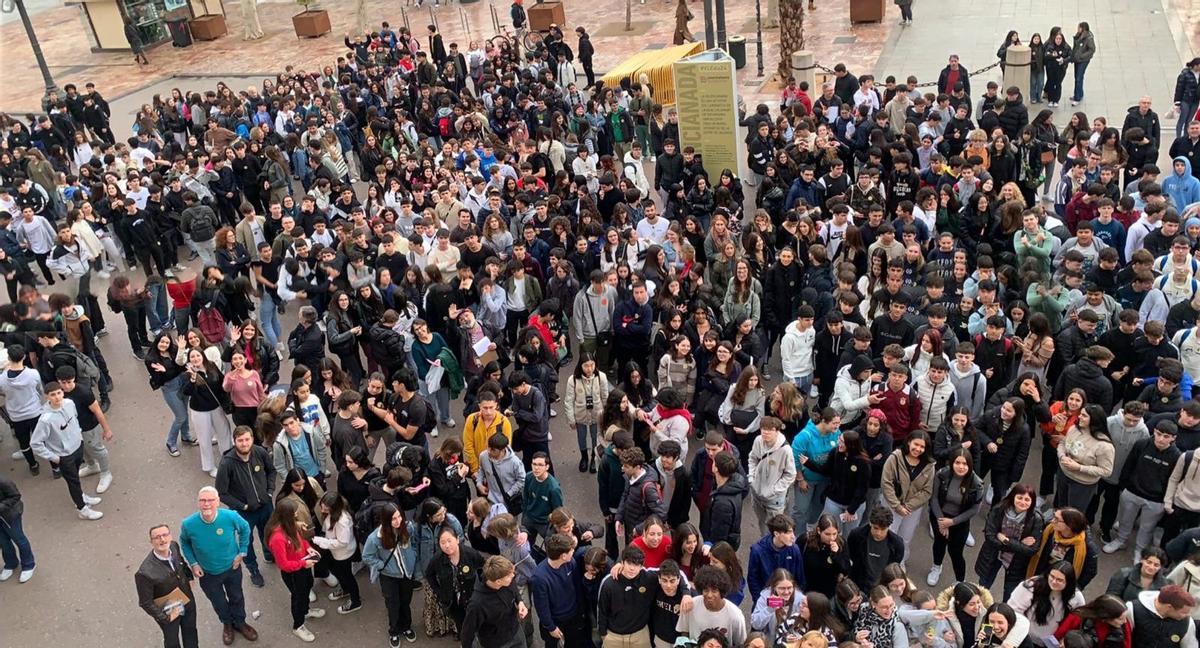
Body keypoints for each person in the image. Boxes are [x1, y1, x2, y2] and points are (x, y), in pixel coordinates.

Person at [178, 486, 258, 646]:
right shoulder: (188, 524)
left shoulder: (230, 516)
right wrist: (193, 563)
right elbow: (184, 543)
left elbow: (245, 529)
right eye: (203, 500)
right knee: (219, 601)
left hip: (232, 568)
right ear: (198, 503)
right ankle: (227, 624)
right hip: (208, 574)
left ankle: (240, 622)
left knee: (236, 596)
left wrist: (242, 552)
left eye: (211, 500)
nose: (207, 504)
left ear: (218, 502)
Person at [30, 381, 104, 520]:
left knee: (75, 477)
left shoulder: (69, 403)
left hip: (77, 447)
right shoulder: (45, 419)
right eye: (53, 395)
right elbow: (35, 443)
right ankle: (82, 509)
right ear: (47, 397)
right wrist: (54, 457)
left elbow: (74, 420)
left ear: (63, 393)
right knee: (73, 482)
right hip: (64, 455)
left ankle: (81, 497)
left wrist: (79, 437)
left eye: (59, 393)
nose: (57, 397)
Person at [215, 425, 276, 589]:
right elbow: (222, 493)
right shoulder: (227, 463)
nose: (244, 443)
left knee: (269, 533)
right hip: (243, 513)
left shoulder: (260, 452)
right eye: (240, 440)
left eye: (247, 439)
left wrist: (270, 492)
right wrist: (243, 505)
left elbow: (271, 471)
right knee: (246, 543)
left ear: (252, 439)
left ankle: (269, 554)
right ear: (234, 442)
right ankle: (253, 570)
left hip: (265, 506)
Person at [266, 497, 324, 642]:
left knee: (307, 587)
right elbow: (284, 564)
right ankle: (298, 626)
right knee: (298, 597)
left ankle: (306, 611)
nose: (297, 516)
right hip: (293, 571)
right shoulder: (277, 538)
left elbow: (301, 540)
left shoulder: (289, 525)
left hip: (302, 564)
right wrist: (303, 564)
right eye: (295, 513)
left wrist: (308, 549)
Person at [361, 503, 421, 647]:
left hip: (406, 574)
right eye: (393, 518)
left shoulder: (408, 527)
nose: (398, 521)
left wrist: (413, 557)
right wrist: (382, 565)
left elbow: (414, 543)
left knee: (405, 602)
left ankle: (406, 627)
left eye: (399, 516)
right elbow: (367, 556)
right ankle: (394, 631)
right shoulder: (375, 538)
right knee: (393, 605)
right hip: (389, 577)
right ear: (386, 520)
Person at [975, 483, 1046, 600]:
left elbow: (1032, 549)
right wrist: (1020, 544)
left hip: (1016, 563)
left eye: (1027, 499)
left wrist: (1006, 540)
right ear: (1013, 496)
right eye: (1020, 497)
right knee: (983, 587)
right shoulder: (999, 509)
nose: (1023, 502)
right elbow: (990, 537)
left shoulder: (1036, 519)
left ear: (1032, 502)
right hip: (993, 555)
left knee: (1010, 594)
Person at [926, 448, 984, 587]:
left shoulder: (977, 483)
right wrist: (942, 522)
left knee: (956, 552)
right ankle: (936, 567)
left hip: (959, 521)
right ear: (952, 462)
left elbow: (974, 509)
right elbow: (933, 499)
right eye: (957, 462)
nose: (961, 466)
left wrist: (951, 522)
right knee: (939, 544)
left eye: (965, 464)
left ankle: (960, 580)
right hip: (939, 516)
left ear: (970, 465)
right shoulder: (942, 474)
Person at [135, 524, 198, 648]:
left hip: (187, 600)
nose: (162, 540)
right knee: (172, 640)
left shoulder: (174, 546)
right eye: (157, 537)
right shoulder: (144, 573)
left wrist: (189, 577)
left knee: (190, 631)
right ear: (151, 542)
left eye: (165, 535)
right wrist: (166, 618)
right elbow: (145, 602)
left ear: (170, 536)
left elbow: (182, 563)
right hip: (168, 610)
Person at [530, 533, 594, 648]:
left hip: (574, 617)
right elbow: (541, 606)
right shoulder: (539, 578)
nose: (573, 552)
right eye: (571, 550)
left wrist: (581, 611)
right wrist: (551, 627)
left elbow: (577, 588)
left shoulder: (571, 563)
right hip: (556, 622)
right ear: (563, 556)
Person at [1008, 561, 1087, 646]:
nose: (1053, 581)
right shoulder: (1032, 585)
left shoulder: (1076, 597)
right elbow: (1013, 610)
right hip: (1024, 637)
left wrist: (1065, 639)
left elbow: (1079, 619)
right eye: (1052, 576)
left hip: (1051, 643)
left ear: (1068, 582)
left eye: (1059, 580)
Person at [425, 525, 484, 634]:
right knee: (460, 622)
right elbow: (429, 575)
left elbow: (483, 567)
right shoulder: (437, 559)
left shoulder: (470, 554)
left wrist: (481, 587)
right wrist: (439, 592)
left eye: (449, 541)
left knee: (476, 623)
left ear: (457, 539)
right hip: (452, 600)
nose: (447, 545)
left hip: (471, 596)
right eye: (442, 543)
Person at [460, 555, 529, 648]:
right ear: (498, 582)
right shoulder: (477, 604)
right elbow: (467, 633)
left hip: (516, 632)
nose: (513, 576)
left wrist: (519, 601)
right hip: (495, 643)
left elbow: (513, 588)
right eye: (509, 576)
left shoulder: (506, 577)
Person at [598, 544, 659, 647]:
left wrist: (686, 593)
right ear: (622, 563)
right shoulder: (609, 583)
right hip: (613, 636)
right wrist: (603, 634)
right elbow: (602, 610)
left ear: (641, 566)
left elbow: (674, 572)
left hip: (640, 635)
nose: (632, 568)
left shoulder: (648, 577)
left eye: (636, 565)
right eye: (629, 563)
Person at [312, 491, 360, 614]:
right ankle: (345, 589)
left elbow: (342, 542)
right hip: (337, 552)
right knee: (339, 572)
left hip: (343, 553)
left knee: (347, 576)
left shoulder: (342, 521)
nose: (323, 510)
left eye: (326, 508)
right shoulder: (335, 515)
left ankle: (355, 601)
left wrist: (323, 541)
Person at [676, 565, 748, 646]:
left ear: (721, 591)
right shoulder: (691, 605)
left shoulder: (735, 615)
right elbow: (684, 631)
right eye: (706, 590)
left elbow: (741, 643)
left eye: (714, 590)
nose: (709, 595)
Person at [748, 416, 797, 535]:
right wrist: (751, 477)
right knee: (761, 522)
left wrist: (774, 490)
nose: (765, 432)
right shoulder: (758, 440)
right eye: (763, 429)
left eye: (770, 430)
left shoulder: (786, 450)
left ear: (777, 431)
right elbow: (753, 458)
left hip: (774, 499)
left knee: (774, 527)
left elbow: (790, 474)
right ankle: (764, 541)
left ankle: (770, 546)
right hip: (756, 493)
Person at [1027, 507, 1099, 586]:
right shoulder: (1049, 529)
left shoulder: (1088, 548)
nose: (1052, 521)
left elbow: (1090, 572)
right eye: (1054, 517)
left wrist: (1076, 588)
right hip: (1040, 575)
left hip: (1060, 584)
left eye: (1057, 519)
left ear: (1070, 525)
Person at [0, 345, 44, 474]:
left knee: (24, 442)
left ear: (8, 358)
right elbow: (39, 390)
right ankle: (55, 467)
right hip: (35, 411)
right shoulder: (33, 374)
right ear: (24, 357)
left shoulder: (2, 379)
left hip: (16, 415)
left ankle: (33, 465)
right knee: (43, 438)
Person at [746, 514, 806, 608]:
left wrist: (792, 600)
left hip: (788, 601)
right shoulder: (757, 551)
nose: (793, 537)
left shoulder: (794, 549)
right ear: (776, 533)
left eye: (793, 532)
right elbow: (753, 579)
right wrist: (760, 601)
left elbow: (800, 578)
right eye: (788, 533)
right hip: (766, 601)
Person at [847, 506, 905, 591]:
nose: (878, 533)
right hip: (858, 582)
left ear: (889, 526)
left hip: (882, 585)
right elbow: (852, 555)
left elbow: (894, 565)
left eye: (883, 529)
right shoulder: (856, 535)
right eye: (875, 528)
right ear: (870, 523)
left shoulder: (897, 544)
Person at [1126, 585, 1197, 648]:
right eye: (1184, 612)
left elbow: (1190, 645)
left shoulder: (1187, 622)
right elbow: (1124, 639)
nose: (1188, 615)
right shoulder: (1133, 609)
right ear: (1169, 607)